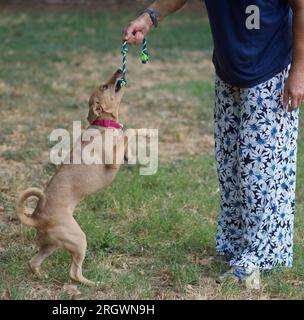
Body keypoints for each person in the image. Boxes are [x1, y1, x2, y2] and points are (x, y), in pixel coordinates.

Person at [123, 0, 304, 287]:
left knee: (262, 173)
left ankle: (257, 257)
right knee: (230, 164)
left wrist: (299, 70)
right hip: (229, 71)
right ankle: (233, 247)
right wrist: (149, 17)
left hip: (271, 72)